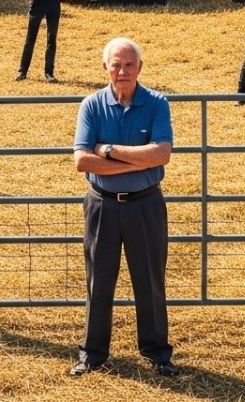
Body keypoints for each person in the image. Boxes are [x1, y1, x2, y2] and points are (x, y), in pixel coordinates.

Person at [70, 38, 177, 378]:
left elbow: (162, 154)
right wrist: (136, 161)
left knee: (150, 280)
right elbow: (82, 161)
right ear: (105, 68)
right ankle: (92, 354)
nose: (122, 71)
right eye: (116, 65)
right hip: (102, 206)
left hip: (145, 205)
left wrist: (110, 151)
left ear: (140, 68)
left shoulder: (157, 103)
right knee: (98, 281)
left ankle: (158, 352)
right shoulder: (91, 105)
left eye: (129, 64)